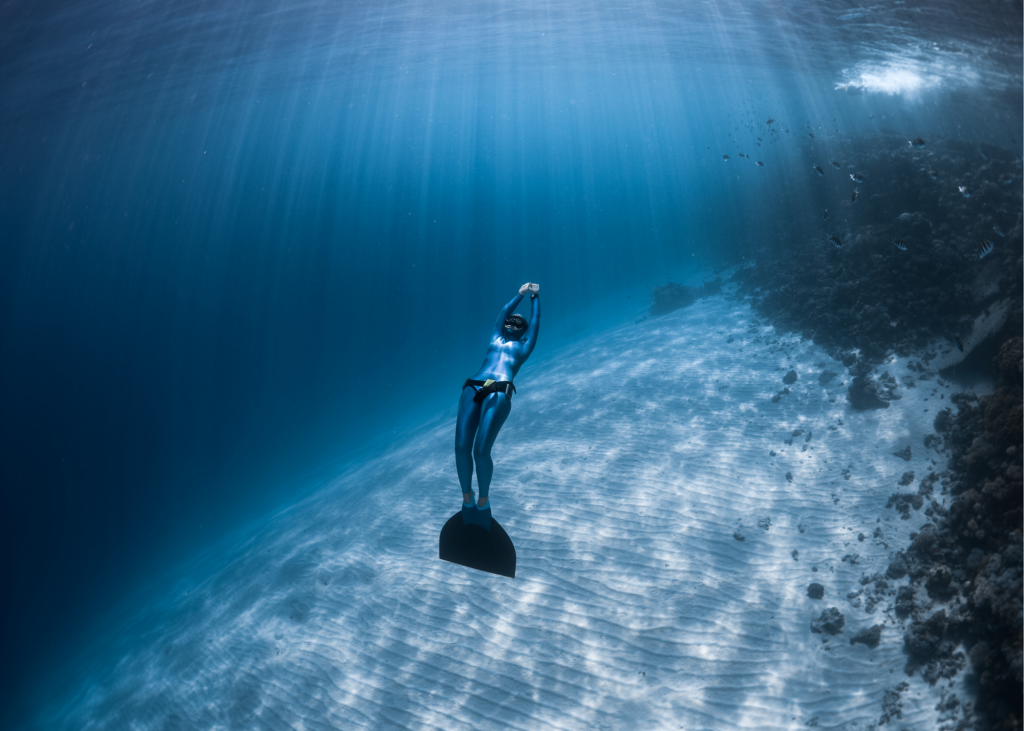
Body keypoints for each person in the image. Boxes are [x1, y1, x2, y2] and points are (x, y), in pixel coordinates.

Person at [455, 282, 540, 530]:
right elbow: (503, 312)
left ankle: (483, 502)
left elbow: (535, 322)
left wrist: (535, 297)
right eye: (510, 321)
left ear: (523, 331)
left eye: (518, 323)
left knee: (481, 451)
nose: (512, 323)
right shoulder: (495, 335)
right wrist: (520, 294)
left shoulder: (524, 346)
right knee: (461, 448)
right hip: (473, 387)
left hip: (499, 390)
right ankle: (466, 500)